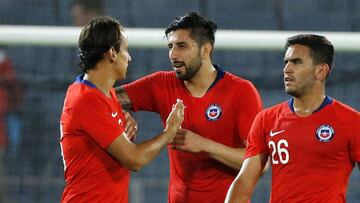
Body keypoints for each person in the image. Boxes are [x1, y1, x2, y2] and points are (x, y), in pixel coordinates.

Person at [115, 12, 262, 202]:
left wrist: (204, 145)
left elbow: (259, 164)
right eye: (171, 46)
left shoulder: (241, 91)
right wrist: (120, 112)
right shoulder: (161, 83)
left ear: (205, 50)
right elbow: (100, 98)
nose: (173, 55)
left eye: (182, 46)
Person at [59, 16, 184, 203]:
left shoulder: (104, 94)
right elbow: (135, 160)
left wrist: (123, 131)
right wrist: (169, 131)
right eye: (125, 49)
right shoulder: (86, 100)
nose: (129, 57)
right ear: (112, 53)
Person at [225, 34, 360, 203]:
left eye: (296, 62)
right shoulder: (266, 119)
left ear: (320, 71)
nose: (286, 69)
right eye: (286, 62)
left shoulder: (352, 122)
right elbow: (244, 182)